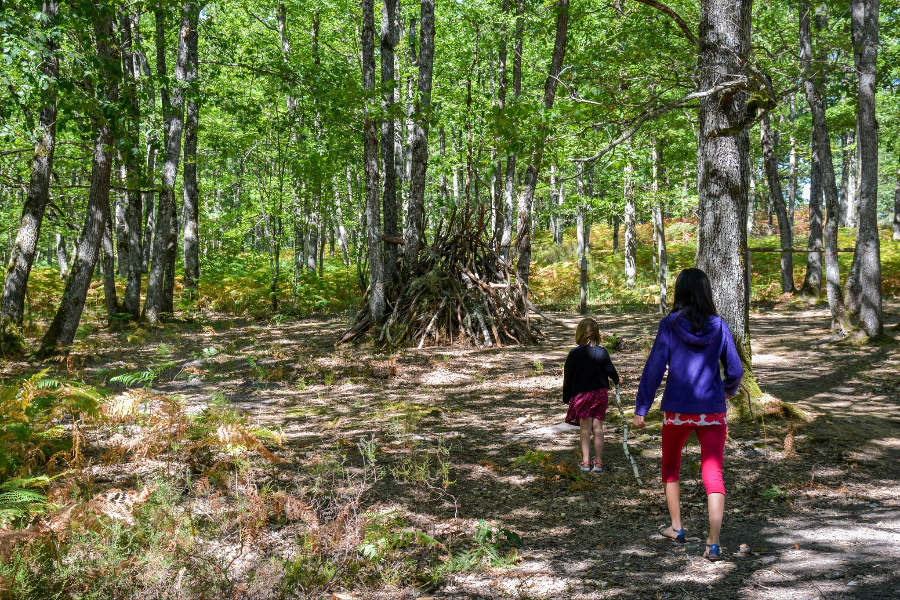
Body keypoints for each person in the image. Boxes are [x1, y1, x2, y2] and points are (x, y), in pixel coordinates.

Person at [633, 268, 743, 561]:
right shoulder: (719, 326)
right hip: (712, 412)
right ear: (706, 292)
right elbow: (735, 369)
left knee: (671, 467)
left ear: (679, 291)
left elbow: (654, 368)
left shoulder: (669, 325)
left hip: (678, 411)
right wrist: (729, 390)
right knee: (713, 474)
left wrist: (642, 407)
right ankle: (714, 542)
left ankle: (676, 527)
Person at [562, 318, 620, 474]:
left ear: (579, 333)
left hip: (582, 394)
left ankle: (586, 462)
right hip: (600, 393)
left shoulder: (574, 354)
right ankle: (599, 462)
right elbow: (610, 370)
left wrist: (567, 397)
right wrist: (616, 380)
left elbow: (568, 377)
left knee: (585, 429)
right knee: (598, 428)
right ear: (597, 334)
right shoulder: (602, 352)